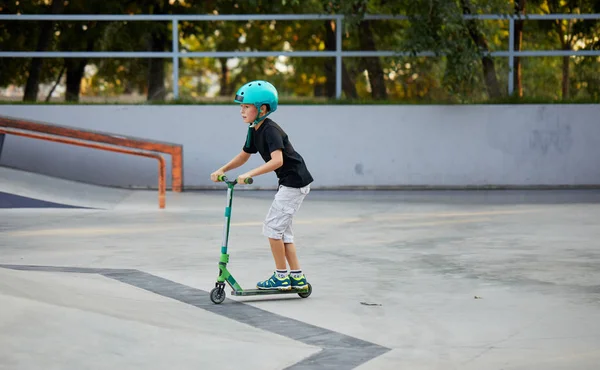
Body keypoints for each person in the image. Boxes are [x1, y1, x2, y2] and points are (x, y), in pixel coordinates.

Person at [210, 80, 314, 291]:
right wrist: (223, 170)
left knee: (272, 229)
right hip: (290, 183)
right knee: (282, 232)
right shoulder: (254, 128)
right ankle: (297, 277)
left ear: (262, 108)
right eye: (241, 107)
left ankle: (281, 277)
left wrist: (249, 174)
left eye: (246, 106)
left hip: (294, 183)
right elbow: (244, 155)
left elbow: (278, 161)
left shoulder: (270, 130)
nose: (242, 111)